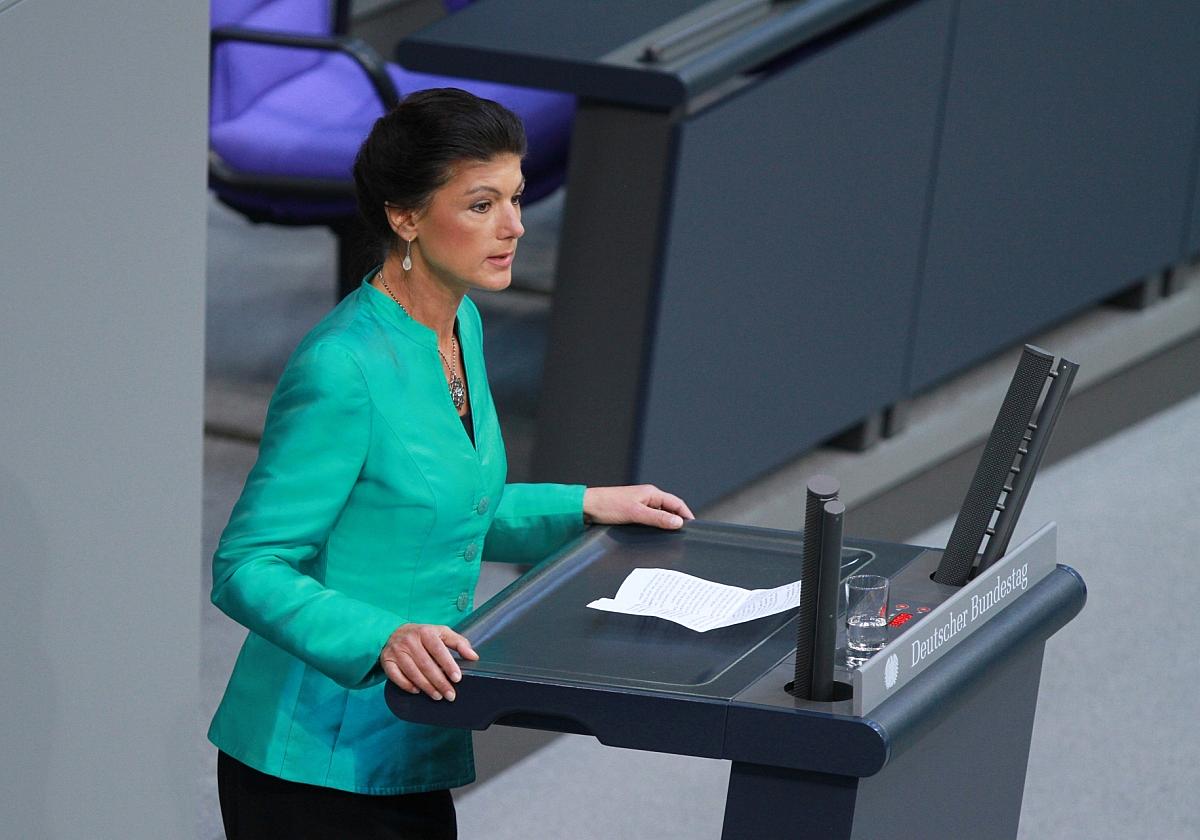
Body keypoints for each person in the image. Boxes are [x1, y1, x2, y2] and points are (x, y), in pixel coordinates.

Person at [207, 88, 695, 840]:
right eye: (480, 205)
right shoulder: (342, 367)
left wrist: (585, 505)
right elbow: (247, 565)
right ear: (405, 217)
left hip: (410, 736)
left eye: (515, 198)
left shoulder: (458, 321)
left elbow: (442, 509)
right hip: (315, 758)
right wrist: (382, 637)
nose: (514, 227)